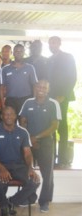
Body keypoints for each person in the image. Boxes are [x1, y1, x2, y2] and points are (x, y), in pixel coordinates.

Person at [0, 106, 40, 216]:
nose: (9, 116)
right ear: (1, 116)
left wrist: (30, 168)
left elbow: (27, 153)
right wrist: (2, 169)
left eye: (11, 114)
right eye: (6, 114)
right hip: (0, 165)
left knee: (35, 181)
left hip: (18, 166)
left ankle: (11, 202)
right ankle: (3, 205)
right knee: (1, 181)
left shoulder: (23, 132)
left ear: (16, 116)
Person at [19, 80, 61, 212]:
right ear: (35, 88)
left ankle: (44, 201)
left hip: (46, 142)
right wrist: (29, 138)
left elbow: (54, 126)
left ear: (48, 90)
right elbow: (22, 121)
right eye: (39, 86)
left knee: (47, 173)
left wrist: (36, 137)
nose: (41, 89)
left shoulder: (53, 104)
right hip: (29, 141)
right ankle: (29, 198)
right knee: (27, 170)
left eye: (44, 87)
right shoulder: (28, 102)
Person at [48, 36, 77, 168]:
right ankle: (52, 158)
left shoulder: (68, 57)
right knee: (51, 127)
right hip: (50, 98)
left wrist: (63, 96)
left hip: (62, 98)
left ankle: (63, 159)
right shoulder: (49, 60)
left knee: (62, 127)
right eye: (50, 43)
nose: (52, 45)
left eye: (54, 42)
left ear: (59, 43)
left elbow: (72, 77)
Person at [0, 44, 38, 114]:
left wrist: (34, 101)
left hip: (26, 99)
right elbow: (1, 88)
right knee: (10, 122)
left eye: (21, 51)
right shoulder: (5, 69)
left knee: (24, 122)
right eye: (16, 51)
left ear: (24, 53)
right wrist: (2, 105)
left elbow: (35, 85)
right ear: (13, 53)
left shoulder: (30, 67)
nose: (19, 53)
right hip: (10, 100)